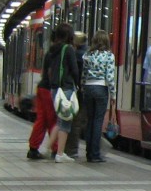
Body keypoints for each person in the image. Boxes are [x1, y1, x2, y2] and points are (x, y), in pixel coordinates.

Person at [44, 24, 81, 162]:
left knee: (60, 120)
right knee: (65, 122)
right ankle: (60, 153)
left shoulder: (53, 49)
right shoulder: (69, 49)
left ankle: (48, 147)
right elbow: (74, 69)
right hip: (66, 88)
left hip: (55, 89)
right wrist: (78, 84)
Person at [81, 30, 116, 162]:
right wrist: (113, 94)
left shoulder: (87, 55)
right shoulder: (109, 56)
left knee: (90, 120)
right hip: (101, 88)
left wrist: (83, 87)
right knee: (98, 121)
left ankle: (88, 152)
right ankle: (95, 154)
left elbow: (83, 74)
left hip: (89, 88)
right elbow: (110, 76)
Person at [63, 31, 88, 158]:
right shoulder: (88, 53)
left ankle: (71, 150)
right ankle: (93, 150)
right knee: (86, 120)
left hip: (77, 92)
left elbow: (75, 73)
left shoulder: (76, 54)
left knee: (75, 122)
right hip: (87, 91)